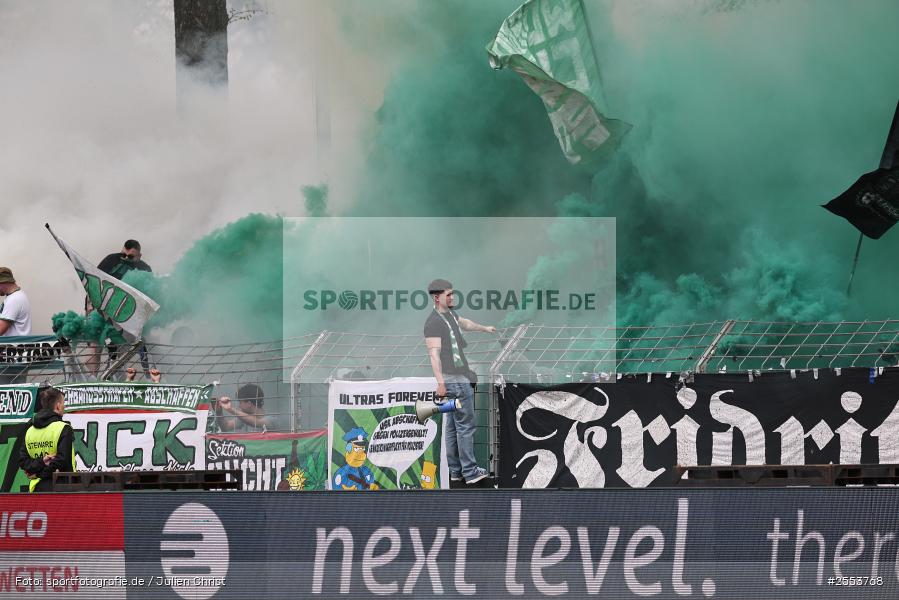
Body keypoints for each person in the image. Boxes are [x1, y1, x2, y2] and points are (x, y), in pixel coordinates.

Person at [423, 278, 496, 485]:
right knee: (465, 424)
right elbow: (433, 354)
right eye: (449, 295)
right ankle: (471, 472)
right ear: (437, 298)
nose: (452, 297)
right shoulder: (433, 322)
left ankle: (456, 472)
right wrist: (440, 383)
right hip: (453, 379)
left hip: (455, 378)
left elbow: (464, 322)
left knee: (453, 425)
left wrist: (484, 328)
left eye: (453, 293)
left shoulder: (450, 315)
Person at [87, 240, 153, 375]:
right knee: (95, 345)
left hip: (126, 313)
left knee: (130, 346)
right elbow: (92, 281)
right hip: (102, 309)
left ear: (139, 256)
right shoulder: (111, 260)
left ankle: (144, 377)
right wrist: (89, 306)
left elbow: (150, 294)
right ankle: (91, 380)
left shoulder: (145, 269)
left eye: (130, 257)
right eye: (123, 254)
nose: (125, 259)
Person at [18, 387, 74, 492]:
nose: (64, 406)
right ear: (58, 406)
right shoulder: (63, 428)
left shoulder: (29, 431)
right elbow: (62, 460)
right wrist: (42, 473)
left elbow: (23, 462)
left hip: (36, 489)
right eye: (63, 403)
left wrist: (39, 467)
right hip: (63, 489)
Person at [0, 267, 31, 336]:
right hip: (18, 345)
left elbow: (0, 329)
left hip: (14, 346)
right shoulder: (17, 295)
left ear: (3, 282)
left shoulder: (14, 300)